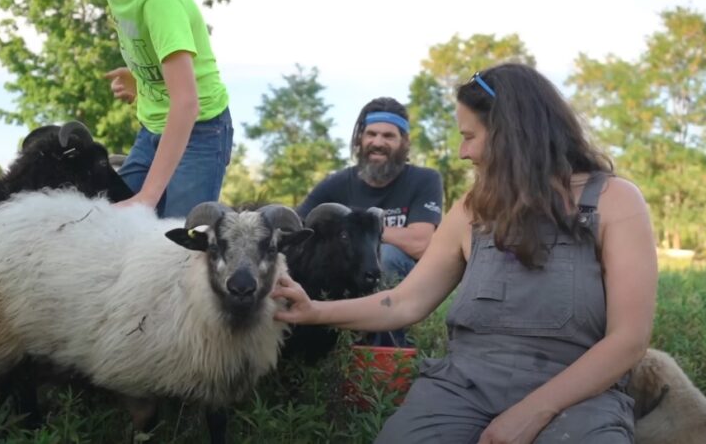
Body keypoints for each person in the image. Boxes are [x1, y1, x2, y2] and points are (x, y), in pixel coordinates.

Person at [275, 63, 658, 443]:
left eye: (470, 136)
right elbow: (405, 302)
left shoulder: (614, 202)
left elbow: (628, 340)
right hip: (462, 389)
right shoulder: (472, 210)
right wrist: (315, 312)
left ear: (511, 134)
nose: (462, 152)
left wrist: (534, 410)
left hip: (578, 396)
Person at [29, 0, 233, 218]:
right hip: (152, 130)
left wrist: (148, 196)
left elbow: (187, 103)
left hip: (200, 132)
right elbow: (160, 55)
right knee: (110, 216)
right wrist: (140, 77)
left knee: (172, 240)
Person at [297, 97, 444, 346]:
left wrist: (363, 232)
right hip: (345, 279)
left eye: (389, 136)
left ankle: (387, 353)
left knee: (385, 255)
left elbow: (421, 242)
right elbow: (298, 230)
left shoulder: (424, 180)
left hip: (406, 284)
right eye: (371, 134)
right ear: (360, 139)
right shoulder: (336, 184)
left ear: (404, 142)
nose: (378, 143)